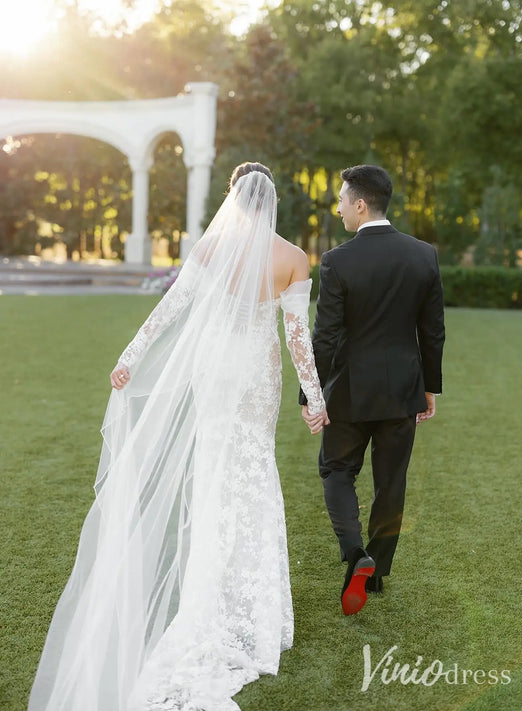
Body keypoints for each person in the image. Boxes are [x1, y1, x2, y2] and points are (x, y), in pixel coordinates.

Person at [28, 163, 328, 711]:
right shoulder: (292, 258)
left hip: (214, 372)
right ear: (272, 202)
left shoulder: (211, 249)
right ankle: (256, 606)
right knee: (255, 471)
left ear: (233, 199)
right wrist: (316, 399)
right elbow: (297, 338)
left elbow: (169, 308)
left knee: (213, 472)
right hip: (256, 377)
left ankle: (208, 592)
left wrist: (129, 357)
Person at [301, 164, 445, 616]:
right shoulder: (423, 256)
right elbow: (433, 331)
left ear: (360, 204)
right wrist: (430, 387)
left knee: (336, 471)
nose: (339, 208)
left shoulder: (337, 260)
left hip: (349, 391)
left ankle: (354, 554)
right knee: (391, 481)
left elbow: (325, 336)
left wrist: (311, 395)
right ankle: (376, 572)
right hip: (403, 388)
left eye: (342, 200)